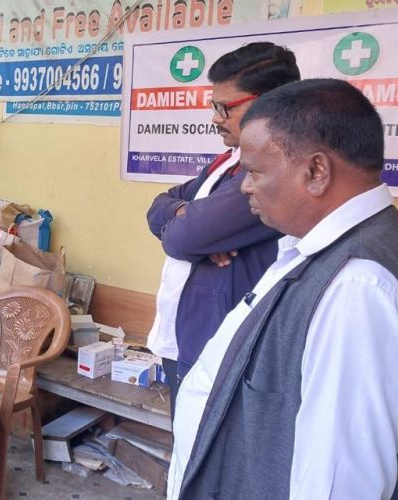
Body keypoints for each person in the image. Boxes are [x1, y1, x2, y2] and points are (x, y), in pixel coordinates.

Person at [169, 79, 398, 499]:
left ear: (316, 171)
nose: (245, 186)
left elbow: (337, 486)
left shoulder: (359, 289)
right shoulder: (322, 250)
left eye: (255, 171)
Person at [145, 42, 300, 410]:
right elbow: (157, 207)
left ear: (267, 103)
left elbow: (184, 238)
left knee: (206, 454)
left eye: (223, 107)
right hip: (188, 334)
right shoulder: (229, 160)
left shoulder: (272, 170)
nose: (215, 117)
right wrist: (185, 210)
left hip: (221, 345)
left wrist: (190, 223)